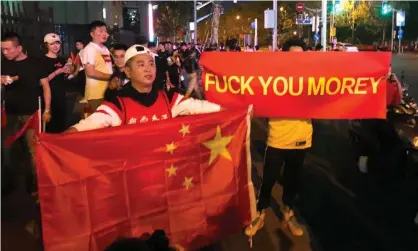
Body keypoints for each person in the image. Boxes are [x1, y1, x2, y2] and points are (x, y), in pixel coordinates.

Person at [64, 44, 221, 133]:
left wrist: (238, 112)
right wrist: (57, 141)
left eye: (151, 64)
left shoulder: (169, 99)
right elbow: (87, 125)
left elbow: (201, 107)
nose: (148, 69)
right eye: (141, 65)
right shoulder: (118, 104)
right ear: (128, 71)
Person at [245, 39, 312, 238]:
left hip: (302, 137)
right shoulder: (272, 78)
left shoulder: (312, 79)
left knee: (292, 180)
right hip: (277, 137)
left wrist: (380, 78)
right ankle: (260, 212)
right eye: (292, 55)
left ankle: (288, 213)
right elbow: (249, 86)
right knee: (268, 179)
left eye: (301, 55)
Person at [40, 33, 71, 133]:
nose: (55, 46)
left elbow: (67, 77)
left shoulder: (63, 59)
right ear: (46, 45)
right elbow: (41, 82)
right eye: (52, 44)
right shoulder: (42, 61)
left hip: (61, 96)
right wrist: (57, 72)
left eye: (57, 43)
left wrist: (70, 71)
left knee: (61, 126)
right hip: (48, 97)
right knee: (49, 127)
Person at [83, 20, 113, 112]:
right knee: (95, 123)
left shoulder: (105, 49)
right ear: (92, 34)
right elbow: (90, 72)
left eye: (105, 31)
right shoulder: (90, 49)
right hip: (95, 95)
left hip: (107, 92)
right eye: (100, 31)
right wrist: (111, 77)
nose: (104, 33)